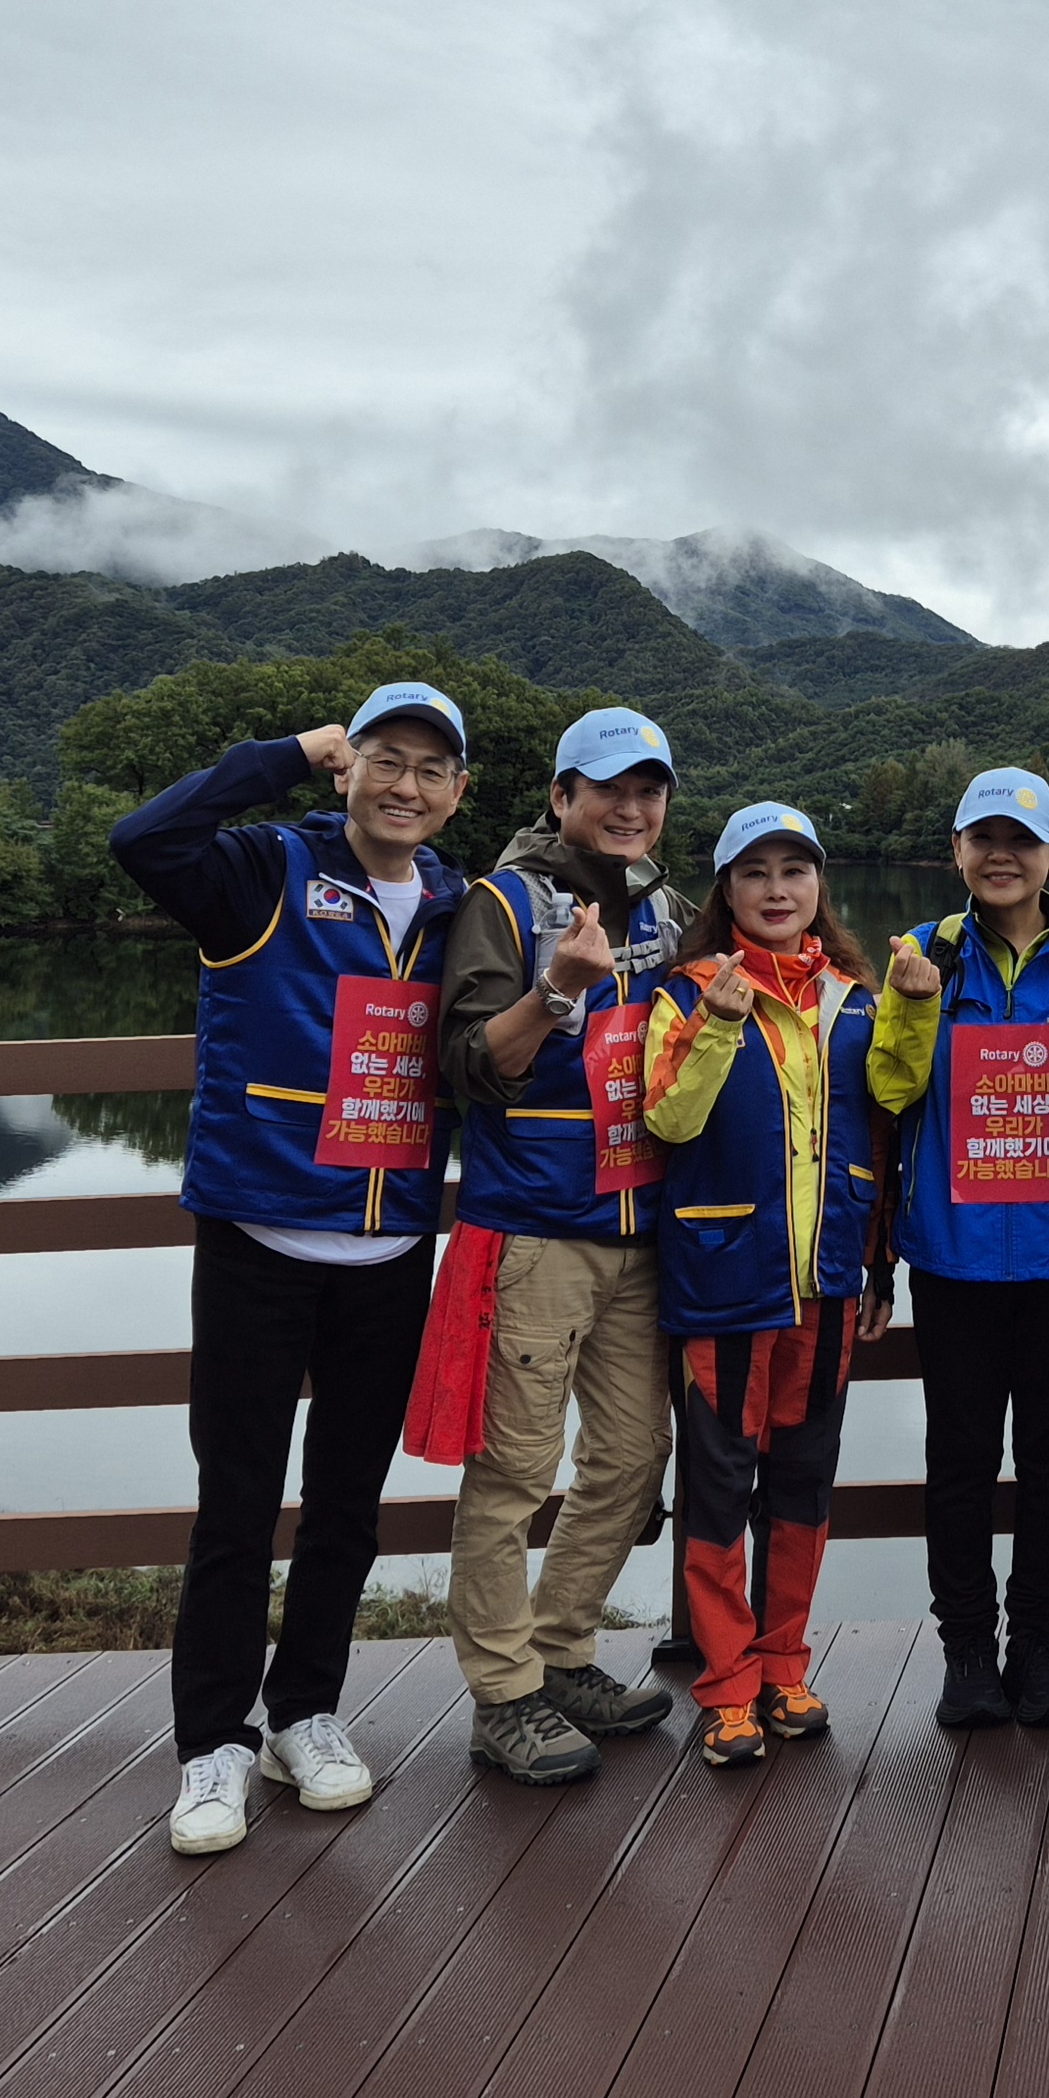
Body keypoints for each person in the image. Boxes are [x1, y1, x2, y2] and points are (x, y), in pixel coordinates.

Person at [108, 681, 472, 1856]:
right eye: (384, 758)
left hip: (390, 1249)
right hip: (259, 1239)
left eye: (431, 768)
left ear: (458, 792)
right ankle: (211, 1743)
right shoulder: (265, 871)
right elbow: (143, 840)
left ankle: (304, 1712)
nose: (406, 785)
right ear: (347, 765)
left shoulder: (465, 908)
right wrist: (280, 754)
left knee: (347, 1507)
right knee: (237, 1505)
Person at [433, 708, 690, 1785]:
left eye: (648, 790)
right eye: (608, 789)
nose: (630, 808)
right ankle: (503, 1694)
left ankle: (560, 1651)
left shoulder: (666, 907)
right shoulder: (503, 903)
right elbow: (464, 1065)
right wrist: (560, 991)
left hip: (641, 1228)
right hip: (536, 1229)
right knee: (513, 1472)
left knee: (632, 1457)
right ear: (560, 795)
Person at [643, 802, 888, 1766]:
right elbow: (667, 1119)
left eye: (795, 871)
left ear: (820, 884)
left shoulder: (855, 1000)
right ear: (726, 890)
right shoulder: (687, 992)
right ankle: (726, 1683)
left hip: (826, 1282)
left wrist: (878, 1264)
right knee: (717, 1484)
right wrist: (717, 1024)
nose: (777, 890)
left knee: (803, 1483)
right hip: (726, 1277)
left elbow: (885, 1130)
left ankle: (785, 1663)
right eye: (755, 873)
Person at [867, 769, 1049, 1731]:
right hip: (955, 1257)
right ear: (958, 851)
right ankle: (966, 1649)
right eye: (984, 838)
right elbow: (889, 1091)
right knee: (960, 1460)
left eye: (1022, 840)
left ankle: (1038, 1644)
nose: (1002, 856)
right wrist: (911, 1004)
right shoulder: (923, 952)